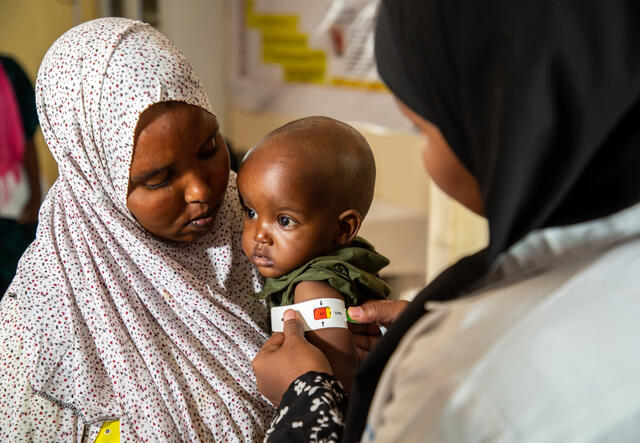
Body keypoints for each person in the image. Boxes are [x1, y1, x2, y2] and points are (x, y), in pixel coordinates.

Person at [251, 0, 640, 441]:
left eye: (423, 129)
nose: (426, 159)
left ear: (499, 126)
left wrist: (304, 398)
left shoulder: (456, 381)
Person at [0, 18, 274, 441]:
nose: (202, 190)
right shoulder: (41, 322)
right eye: (160, 180)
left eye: (209, 149)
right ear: (99, 181)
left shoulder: (261, 219)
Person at [237, 116, 391, 391]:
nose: (259, 235)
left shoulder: (313, 290)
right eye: (251, 212)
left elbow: (334, 389)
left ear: (343, 228)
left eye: (284, 221)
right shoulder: (329, 259)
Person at [0, 54, 41, 296]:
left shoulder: (9, 71)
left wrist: (36, 196)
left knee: (21, 290)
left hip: (16, 207)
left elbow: (27, 135)